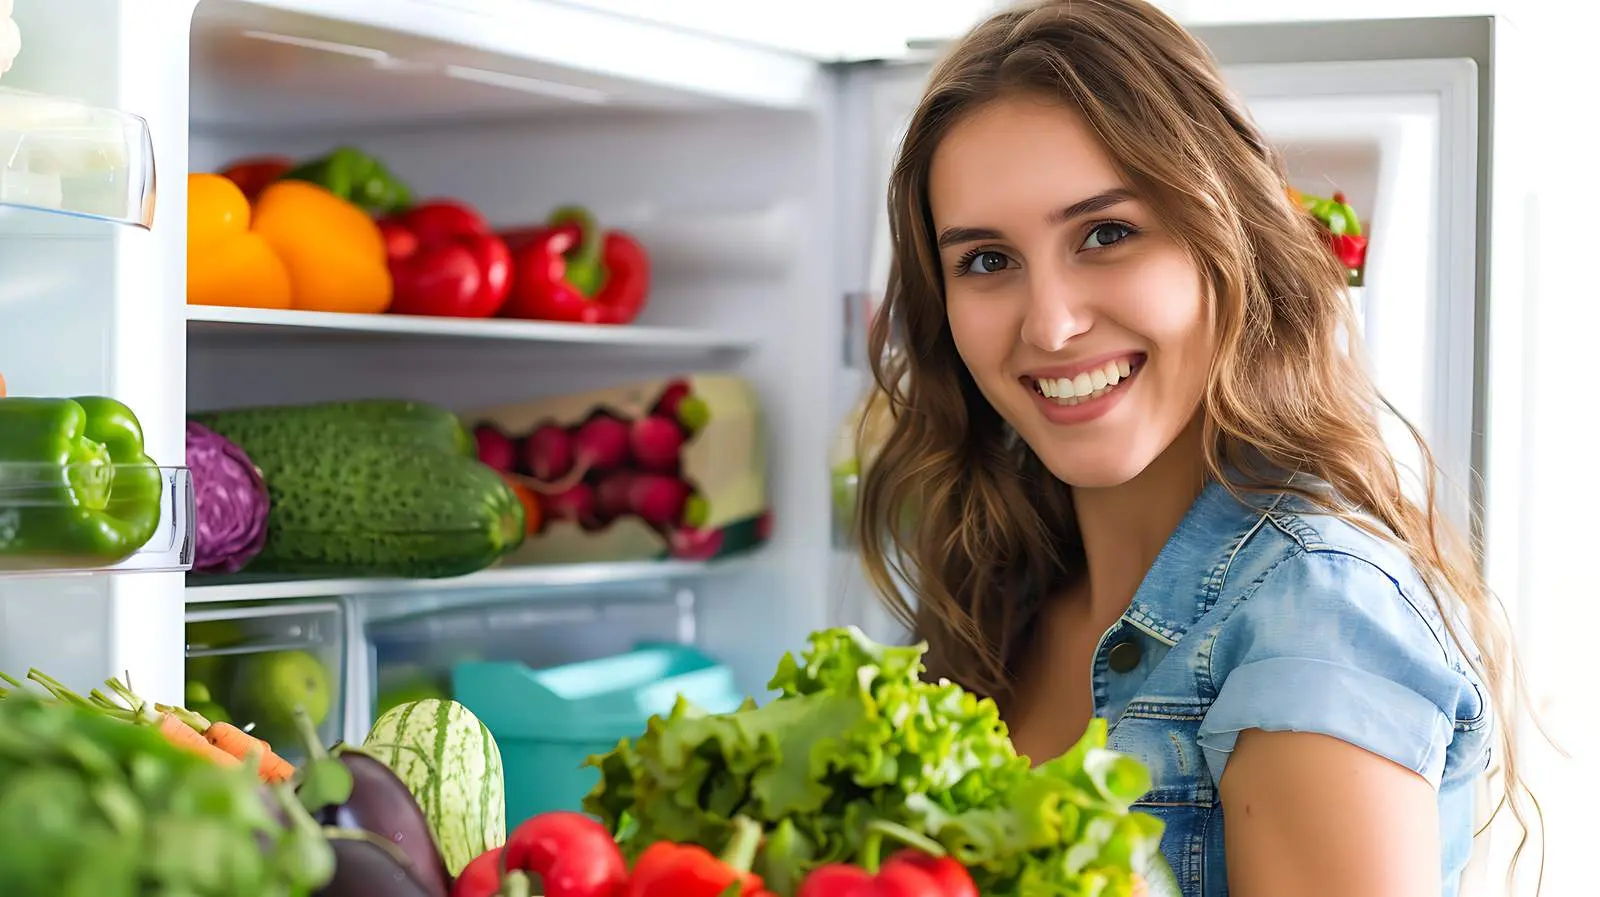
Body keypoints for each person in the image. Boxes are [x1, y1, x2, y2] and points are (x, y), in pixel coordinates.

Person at [852, 1, 1534, 895]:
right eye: (987, 259)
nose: (1051, 325)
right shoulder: (1000, 583)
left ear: (1227, 237)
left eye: (1106, 233)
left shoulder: (1312, 617)